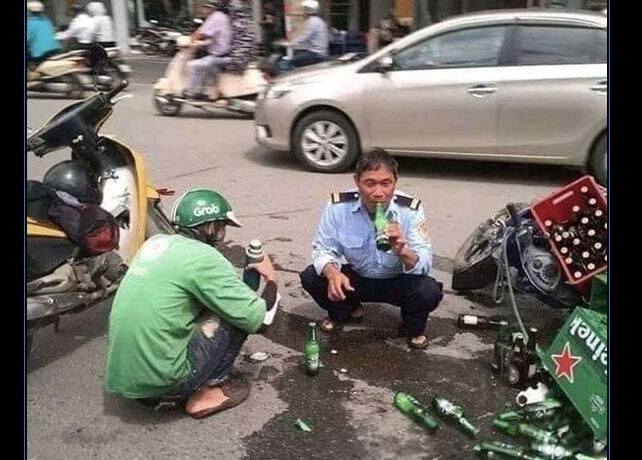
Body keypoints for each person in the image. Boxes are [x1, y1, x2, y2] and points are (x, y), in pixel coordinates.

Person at [105, 188, 279, 418]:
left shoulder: (154, 243)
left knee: (209, 304)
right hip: (164, 380)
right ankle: (210, 391)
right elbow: (261, 319)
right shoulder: (204, 257)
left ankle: (152, 388)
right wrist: (271, 278)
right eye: (222, 227)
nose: (223, 233)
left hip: (124, 375)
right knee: (236, 312)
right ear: (211, 227)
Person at [299, 148, 443, 350]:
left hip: (397, 280)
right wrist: (332, 274)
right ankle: (347, 310)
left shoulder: (410, 209)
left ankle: (412, 327)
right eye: (370, 183)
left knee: (428, 291)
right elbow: (323, 249)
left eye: (386, 183)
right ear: (357, 181)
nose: (378, 193)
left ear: (395, 181)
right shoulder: (338, 207)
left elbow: (425, 263)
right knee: (312, 276)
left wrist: (402, 251)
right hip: (358, 277)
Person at [184, 0, 232, 101]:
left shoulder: (215, 17)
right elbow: (215, 37)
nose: (204, 10)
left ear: (213, 9)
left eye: (207, 7)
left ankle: (191, 93)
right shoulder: (223, 17)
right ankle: (203, 91)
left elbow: (200, 33)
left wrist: (190, 42)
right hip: (224, 53)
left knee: (192, 65)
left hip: (220, 55)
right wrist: (201, 43)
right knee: (202, 62)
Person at [283, 0, 329, 69]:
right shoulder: (319, 21)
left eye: (304, 10)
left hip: (316, 54)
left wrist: (290, 43)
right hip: (318, 51)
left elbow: (305, 37)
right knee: (297, 52)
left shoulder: (312, 21)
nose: (302, 12)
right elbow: (309, 38)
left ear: (307, 10)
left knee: (292, 61)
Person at [224, 0, 256, 74]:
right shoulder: (249, 21)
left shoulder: (236, 23)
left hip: (239, 54)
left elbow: (230, 38)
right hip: (246, 53)